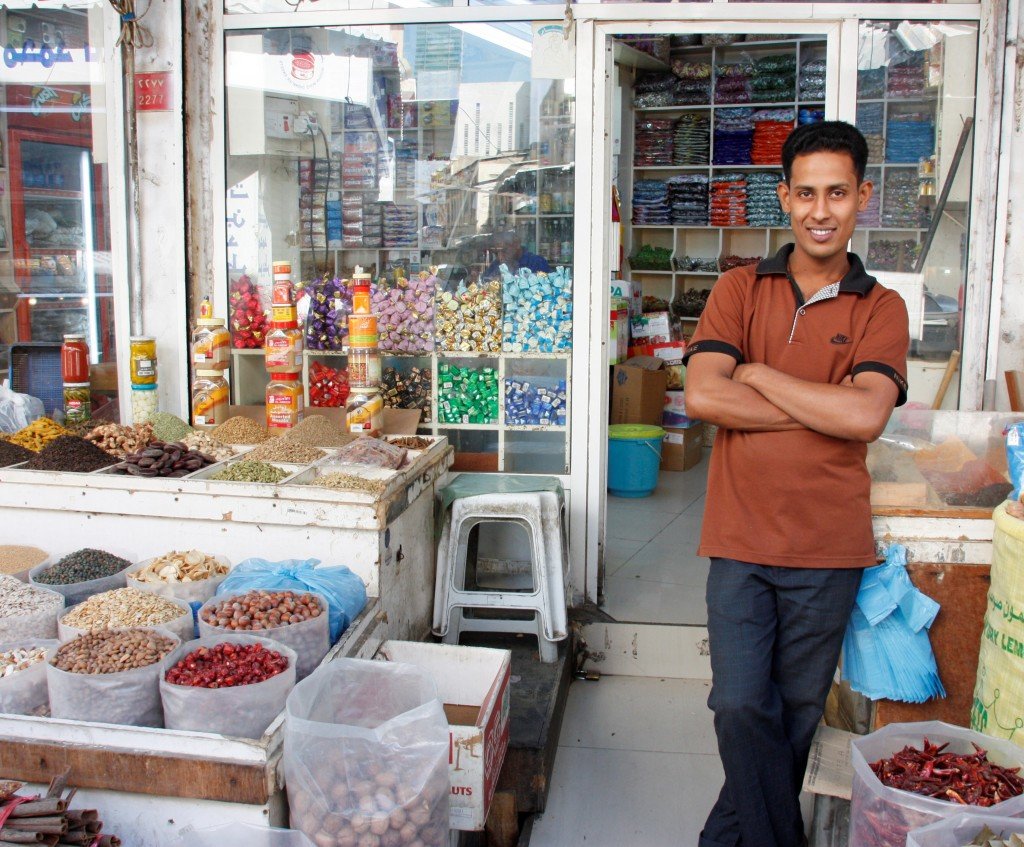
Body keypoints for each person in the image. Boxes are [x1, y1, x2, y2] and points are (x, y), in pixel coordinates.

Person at [683, 121, 909, 847]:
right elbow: (704, 398)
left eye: (837, 192)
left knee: (796, 715)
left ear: (862, 197)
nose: (820, 209)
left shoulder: (882, 306)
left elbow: (867, 412)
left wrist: (761, 374)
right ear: (783, 196)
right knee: (742, 705)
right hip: (740, 538)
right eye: (805, 192)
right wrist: (821, 406)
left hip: (828, 549)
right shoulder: (738, 288)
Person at [483, 231, 551, 279]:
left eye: (504, 251)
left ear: (517, 244)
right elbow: (484, 282)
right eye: (496, 253)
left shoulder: (537, 262)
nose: (500, 257)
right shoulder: (496, 264)